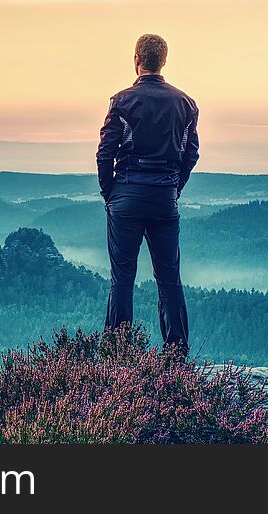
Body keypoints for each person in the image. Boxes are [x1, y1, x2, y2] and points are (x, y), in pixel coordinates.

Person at [96, 33, 199, 354]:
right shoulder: (185, 104)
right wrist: (174, 188)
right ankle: (176, 353)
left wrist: (109, 194)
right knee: (169, 277)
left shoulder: (123, 101)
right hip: (164, 198)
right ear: (164, 60)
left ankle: (118, 354)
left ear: (136, 59)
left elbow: (104, 152)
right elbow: (190, 153)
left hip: (126, 195)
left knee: (122, 278)